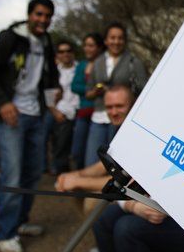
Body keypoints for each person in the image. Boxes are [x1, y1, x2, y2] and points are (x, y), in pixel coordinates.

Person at [56, 86, 184, 252]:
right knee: (103, 220)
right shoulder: (129, 130)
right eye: (109, 107)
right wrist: (78, 175)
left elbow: (135, 182)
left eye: (119, 106)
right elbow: (118, 168)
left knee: (126, 229)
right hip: (159, 204)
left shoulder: (163, 132)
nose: (114, 111)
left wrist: (79, 181)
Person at [0, 0, 60, 252]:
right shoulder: (10, 38)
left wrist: (53, 93)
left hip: (36, 115)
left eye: (47, 16)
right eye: (38, 14)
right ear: (28, 15)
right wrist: (2, 103)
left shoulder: (46, 42)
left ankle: (20, 221)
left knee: (33, 172)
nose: (43, 20)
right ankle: (5, 233)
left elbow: (50, 73)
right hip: (11, 115)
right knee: (11, 174)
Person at [84, 22, 148, 167]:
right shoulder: (97, 62)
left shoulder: (134, 62)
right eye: (112, 38)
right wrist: (96, 92)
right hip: (99, 117)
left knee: (116, 165)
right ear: (106, 41)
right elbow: (88, 93)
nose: (116, 42)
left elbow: (144, 90)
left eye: (120, 38)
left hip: (122, 120)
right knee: (92, 161)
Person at [70, 32, 104, 169]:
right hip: (83, 112)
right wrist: (91, 91)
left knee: (94, 152)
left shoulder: (104, 64)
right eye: (85, 45)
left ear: (99, 47)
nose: (87, 49)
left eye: (91, 45)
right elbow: (74, 86)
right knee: (77, 150)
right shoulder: (81, 65)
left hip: (100, 113)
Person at [48, 40, 79, 174]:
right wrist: (55, 112)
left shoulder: (80, 69)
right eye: (61, 51)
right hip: (60, 112)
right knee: (59, 142)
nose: (65, 54)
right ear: (58, 55)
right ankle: (59, 168)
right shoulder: (53, 72)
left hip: (79, 111)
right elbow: (48, 94)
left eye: (68, 51)